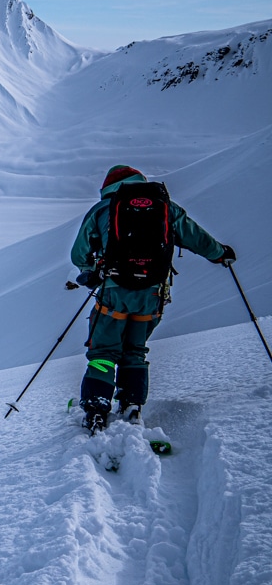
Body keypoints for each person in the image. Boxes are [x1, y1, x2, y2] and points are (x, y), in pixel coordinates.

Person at [70, 165, 236, 431]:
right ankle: (132, 405)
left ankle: (96, 408)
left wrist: (89, 271)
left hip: (114, 292)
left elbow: (79, 253)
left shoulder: (102, 210)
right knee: (134, 351)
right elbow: (197, 238)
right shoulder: (166, 207)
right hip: (153, 295)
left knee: (103, 352)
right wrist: (220, 253)